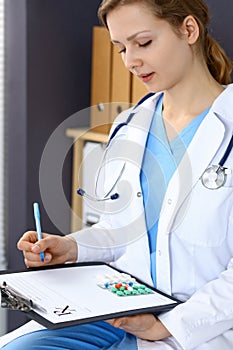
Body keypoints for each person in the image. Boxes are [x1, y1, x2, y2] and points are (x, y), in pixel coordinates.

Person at [3, 0, 233, 349]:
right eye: (121, 48)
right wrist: (71, 247)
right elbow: (120, 230)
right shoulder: (130, 126)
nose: (130, 61)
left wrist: (164, 327)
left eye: (143, 43)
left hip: (194, 324)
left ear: (189, 30)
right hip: (121, 305)